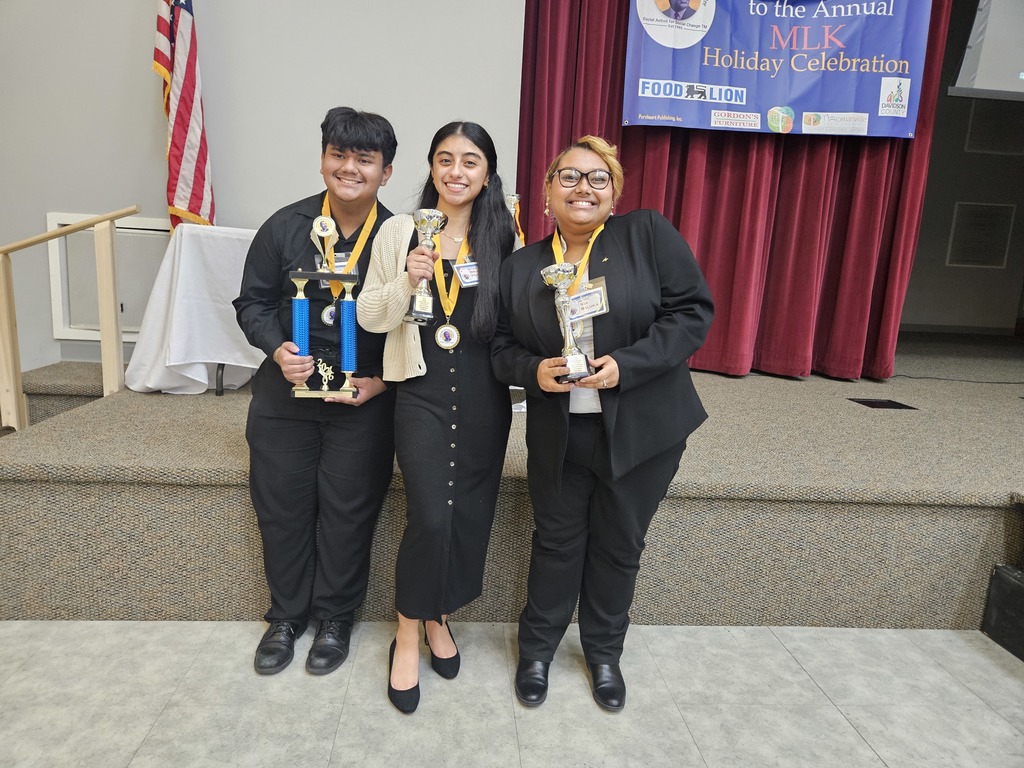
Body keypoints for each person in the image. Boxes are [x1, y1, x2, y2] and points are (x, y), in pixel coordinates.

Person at [490, 135, 714, 711]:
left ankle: (604, 654)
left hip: (643, 428)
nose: (582, 188)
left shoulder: (646, 235)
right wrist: (532, 371)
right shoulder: (521, 267)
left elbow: (692, 313)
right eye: (568, 177)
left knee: (619, 545)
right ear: (546, 194)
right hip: (560, 432)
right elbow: (500, 347)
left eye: (597, 178)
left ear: (615, 193)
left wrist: (628, 366)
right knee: (557, 542)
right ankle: (537, 650)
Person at [233, 107, 398, 676]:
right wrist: (279, 348)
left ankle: (335, 618)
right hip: (285, 400)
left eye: (364, 159)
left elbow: (412, 325)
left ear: (386, 171)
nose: (349, 168)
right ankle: (285, 617)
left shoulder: (398, 237)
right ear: (323, 157)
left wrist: (379, 384)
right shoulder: (285, 226)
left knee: (350, 513)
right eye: (339, 154)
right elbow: (251, 302)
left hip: (363, 402)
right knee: (282, 511)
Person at [358, 121, 515, 713]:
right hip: (420, 391)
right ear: (430, 166)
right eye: (445, 159)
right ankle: (406, 631)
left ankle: (440, 616)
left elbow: (509, 322)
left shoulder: (501, 234)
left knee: (468, 513)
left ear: (486, 173)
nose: (457, 172)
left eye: (470, 161)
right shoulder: (400, 231)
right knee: (428, 514)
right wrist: (408, 278)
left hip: (483, 395)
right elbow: (371, 316)